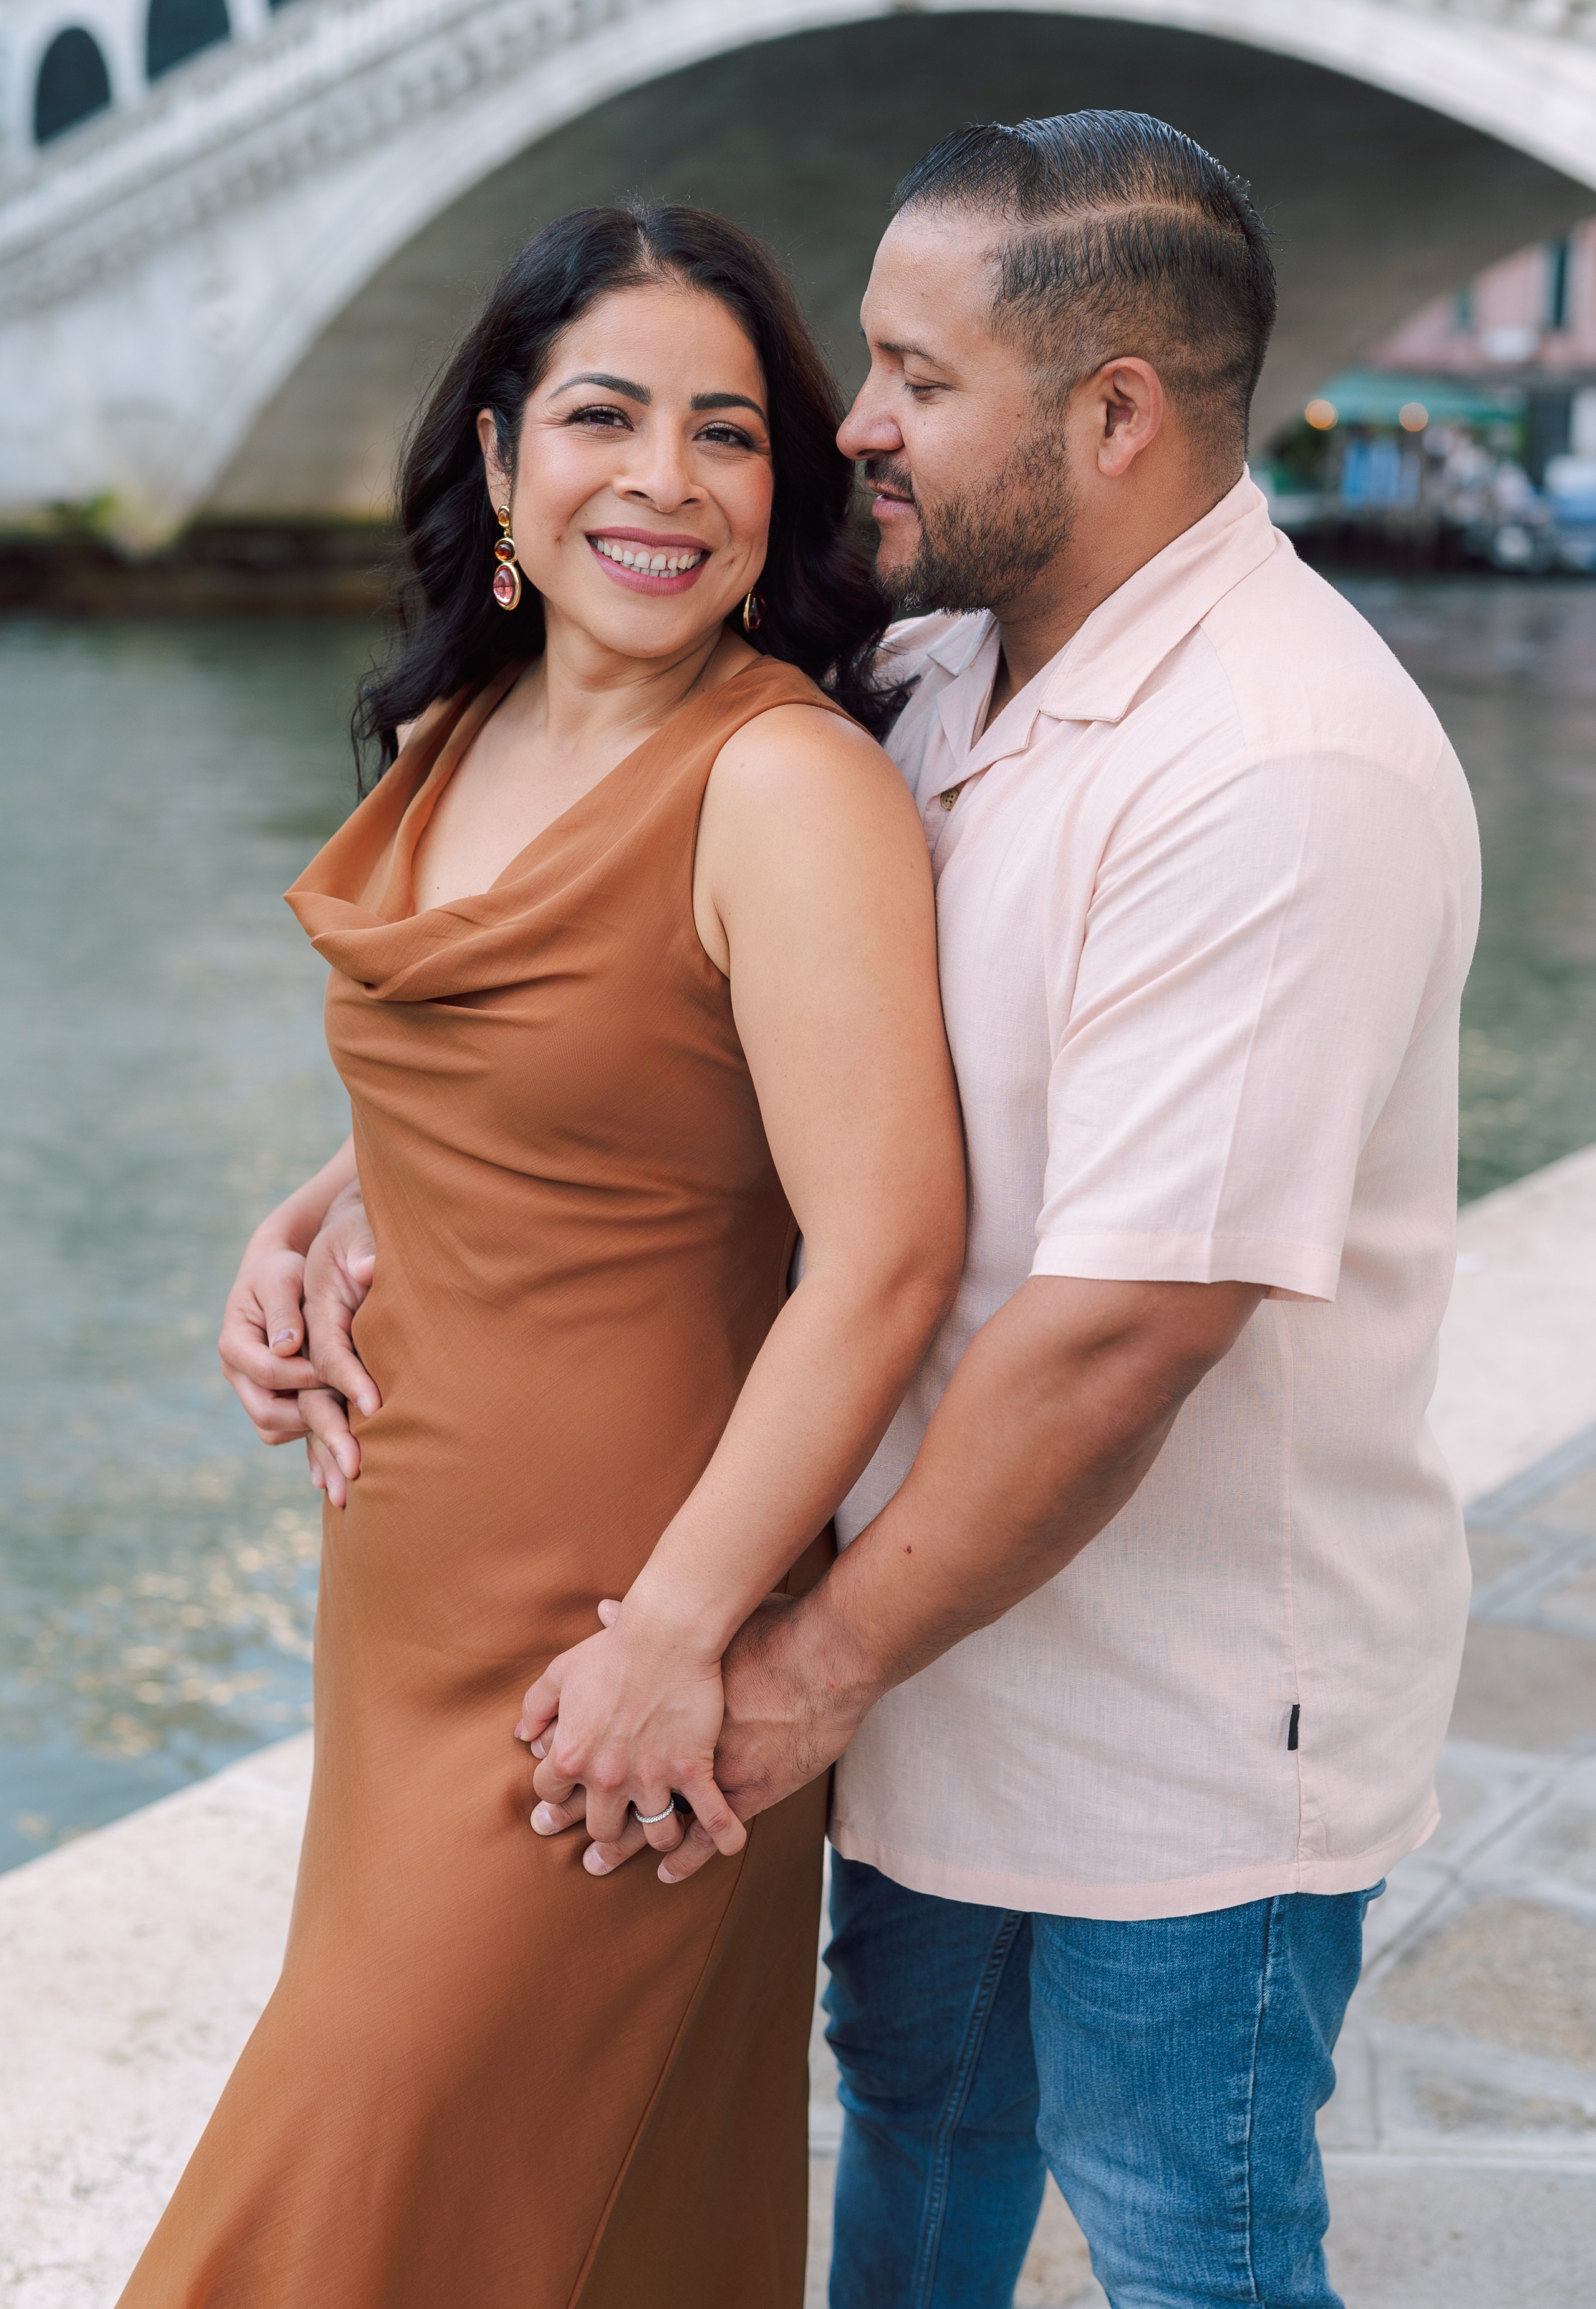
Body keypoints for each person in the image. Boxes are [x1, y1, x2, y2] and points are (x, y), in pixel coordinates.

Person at [234, 115, 1481, 2307]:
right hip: (908, 1669)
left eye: (909, 376)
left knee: (1189, 2238)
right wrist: (360, 1195)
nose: (850, 428)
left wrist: (769, 1665)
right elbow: (661, 1035)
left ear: (1113, 417)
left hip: (1156, 1716)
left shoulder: (1279, 766)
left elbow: (1122, 1329)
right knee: (909, 2173)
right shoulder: (927, 677)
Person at [143, 202, 964, 2309]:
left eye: (728, 433)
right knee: (564, 2227)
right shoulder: (454, 731)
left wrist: (684, 1637)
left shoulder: (784, 789)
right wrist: (313, 1219)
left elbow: (884, 1251)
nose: (667, 480)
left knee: (347, 2217)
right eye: (605, 417)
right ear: (503, 463)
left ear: (781, 489)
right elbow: (529, 1079)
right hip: (395, 1607)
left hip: (608, 1637)